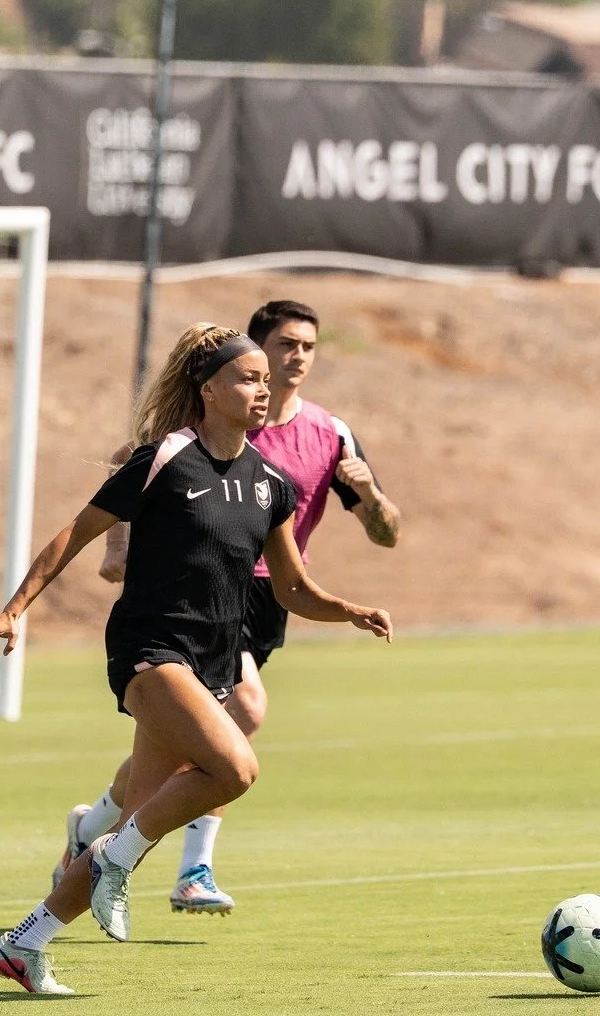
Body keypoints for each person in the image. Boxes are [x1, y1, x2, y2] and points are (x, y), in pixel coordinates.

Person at [0, 323, 393, 995]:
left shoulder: (270, 484)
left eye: (264, 379)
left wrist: (346, 609)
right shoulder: (166, 457)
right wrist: (13, 608)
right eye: (248, 378)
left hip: (212, 664)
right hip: (148, 649)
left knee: (137, 816)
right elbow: (74, 536)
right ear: (208, 391)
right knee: (234, 769)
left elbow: (290, 588)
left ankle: (26, 943)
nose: (263, 389)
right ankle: (113, 858)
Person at [56, 299, 403, 914]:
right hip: (207, 590)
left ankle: (90, 838)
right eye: (284, 345)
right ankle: (195, 869)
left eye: (309, 346)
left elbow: (387, 534)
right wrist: (118, 545)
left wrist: (371, 492)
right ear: (254, 350)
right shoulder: (220, 413)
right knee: (242, 709)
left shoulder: (332, 433)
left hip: (274, 599)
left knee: (167, 756)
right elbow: (131, 463)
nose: (297, 358)